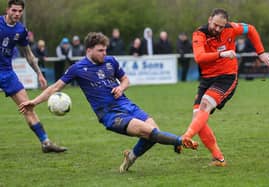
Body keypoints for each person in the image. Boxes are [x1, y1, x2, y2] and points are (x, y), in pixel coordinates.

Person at [19, 32, 191, 173]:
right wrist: (34, 101)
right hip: (110, 114)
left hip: (127, 105)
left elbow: (125, 80)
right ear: (89, 51)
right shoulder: (77, 68)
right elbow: (55, 88)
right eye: (100, 50)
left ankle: (130, 157)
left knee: (154, 133)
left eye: (105, 50)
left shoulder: (111, 62)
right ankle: (180, 140)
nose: (104, 53)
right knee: (150, 132)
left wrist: (121, 88)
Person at [181, 8, 269, 166]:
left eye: (221, 27)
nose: (217, 29)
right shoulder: (199, 34)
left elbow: (250, 29)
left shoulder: (232, 28)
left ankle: (186, 136)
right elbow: (199, 58)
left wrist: (260, 52)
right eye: (215, 25)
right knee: (197, 116)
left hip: (227, 77)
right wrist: (222, 54)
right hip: (207, 79)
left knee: (205, 104)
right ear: (210, 19)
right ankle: (219, 158)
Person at [0, 0, 67, 153]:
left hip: (7, 72)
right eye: (14, 10)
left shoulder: (21, 30)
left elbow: (28, 55)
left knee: (28, 106)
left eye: (19, 11)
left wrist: (39, 73)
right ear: (7, 10)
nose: (17, 14)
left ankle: (46, 143)